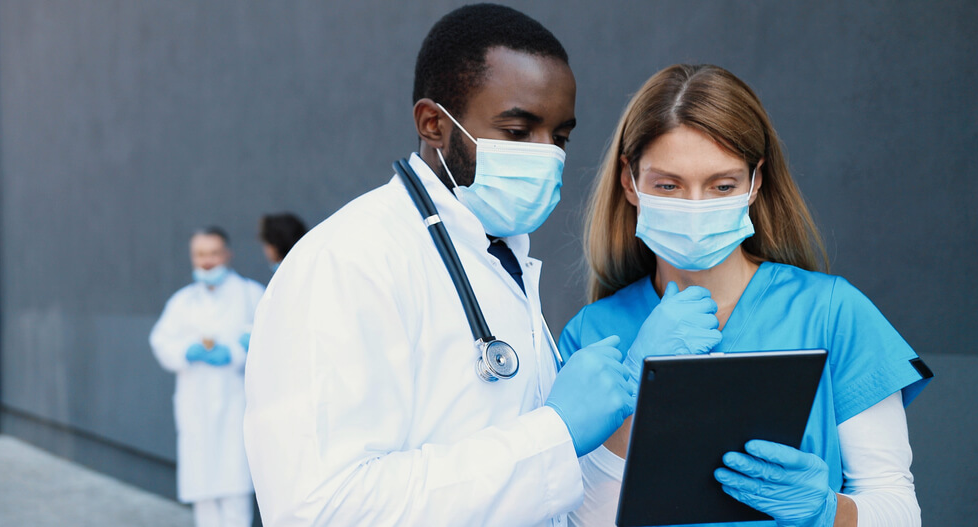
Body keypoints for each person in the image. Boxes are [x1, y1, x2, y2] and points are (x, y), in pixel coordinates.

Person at [243, 4, 636, 526]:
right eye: (519, 132)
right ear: (433, 124)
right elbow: (321, 509)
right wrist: (556, 435)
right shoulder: (347, 260)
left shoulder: (498, 256)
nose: (547, 157)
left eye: (560, 138)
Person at [558, 64, 933, 527]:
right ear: (630, 182)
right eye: (668, 185)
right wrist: (631, 394)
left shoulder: (832, 313)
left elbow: (899, 511)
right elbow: (575, 519)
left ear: (755, 182)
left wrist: (827, 511)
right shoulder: (591, 335)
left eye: (722, 186)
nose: (695, 206)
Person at [150, 226, 265, 527]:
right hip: (195, 406)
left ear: (227, 254)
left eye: (213, 253)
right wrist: (185, 352)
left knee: (235, 491)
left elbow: (267, 335)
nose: (207, 260)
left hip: (235, 404)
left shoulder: (251, 294)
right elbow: (161, 340)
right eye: (200, 254)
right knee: (203, 494)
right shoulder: (182, 301)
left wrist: (238, 351)